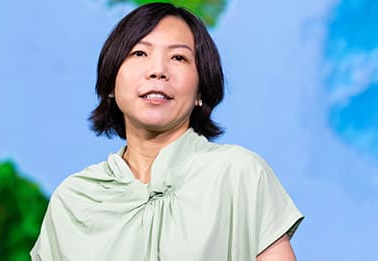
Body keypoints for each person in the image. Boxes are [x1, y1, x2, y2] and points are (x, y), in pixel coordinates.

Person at [30, 2, 303, 260]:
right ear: (111, 82)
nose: (158, 71)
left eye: (178, 57)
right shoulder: (73, 199)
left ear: (200, 90)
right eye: (139, 53)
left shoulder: (239, 174)